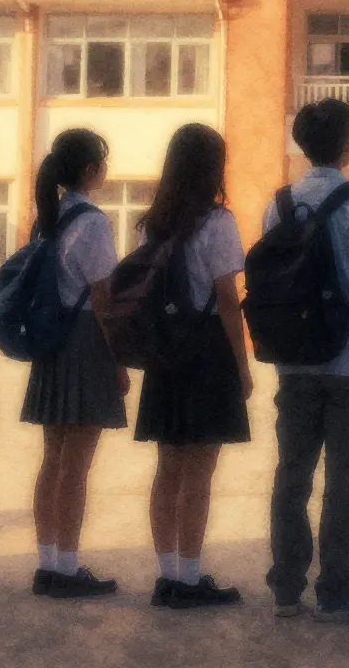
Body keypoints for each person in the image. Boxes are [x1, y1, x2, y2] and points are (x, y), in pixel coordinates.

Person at [262, 99, 349, 621]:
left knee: (291, 474)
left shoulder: (278, 204)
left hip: (294, 361)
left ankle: (286, 586)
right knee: (345, 478)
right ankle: (335, 587)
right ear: (348, 146)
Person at [131, 123, 252, 608]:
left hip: (165, 353)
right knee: (199, 473)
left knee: (167, 469)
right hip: (207, 352)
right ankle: (190, 575)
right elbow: (227, 299)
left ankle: (166, 576)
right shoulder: (217, 222)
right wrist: (242, 365)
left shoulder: (151, 223)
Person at [22, 128, 129, 600]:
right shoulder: (93, 222)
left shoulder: (47, 218)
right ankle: (67, 567)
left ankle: (48, 563)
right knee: (77, 464)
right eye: (103, 161)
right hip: (87, 341)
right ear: (90, 170)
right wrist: (119, 358)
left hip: (53, 341)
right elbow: (104, 298)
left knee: (53, 459)